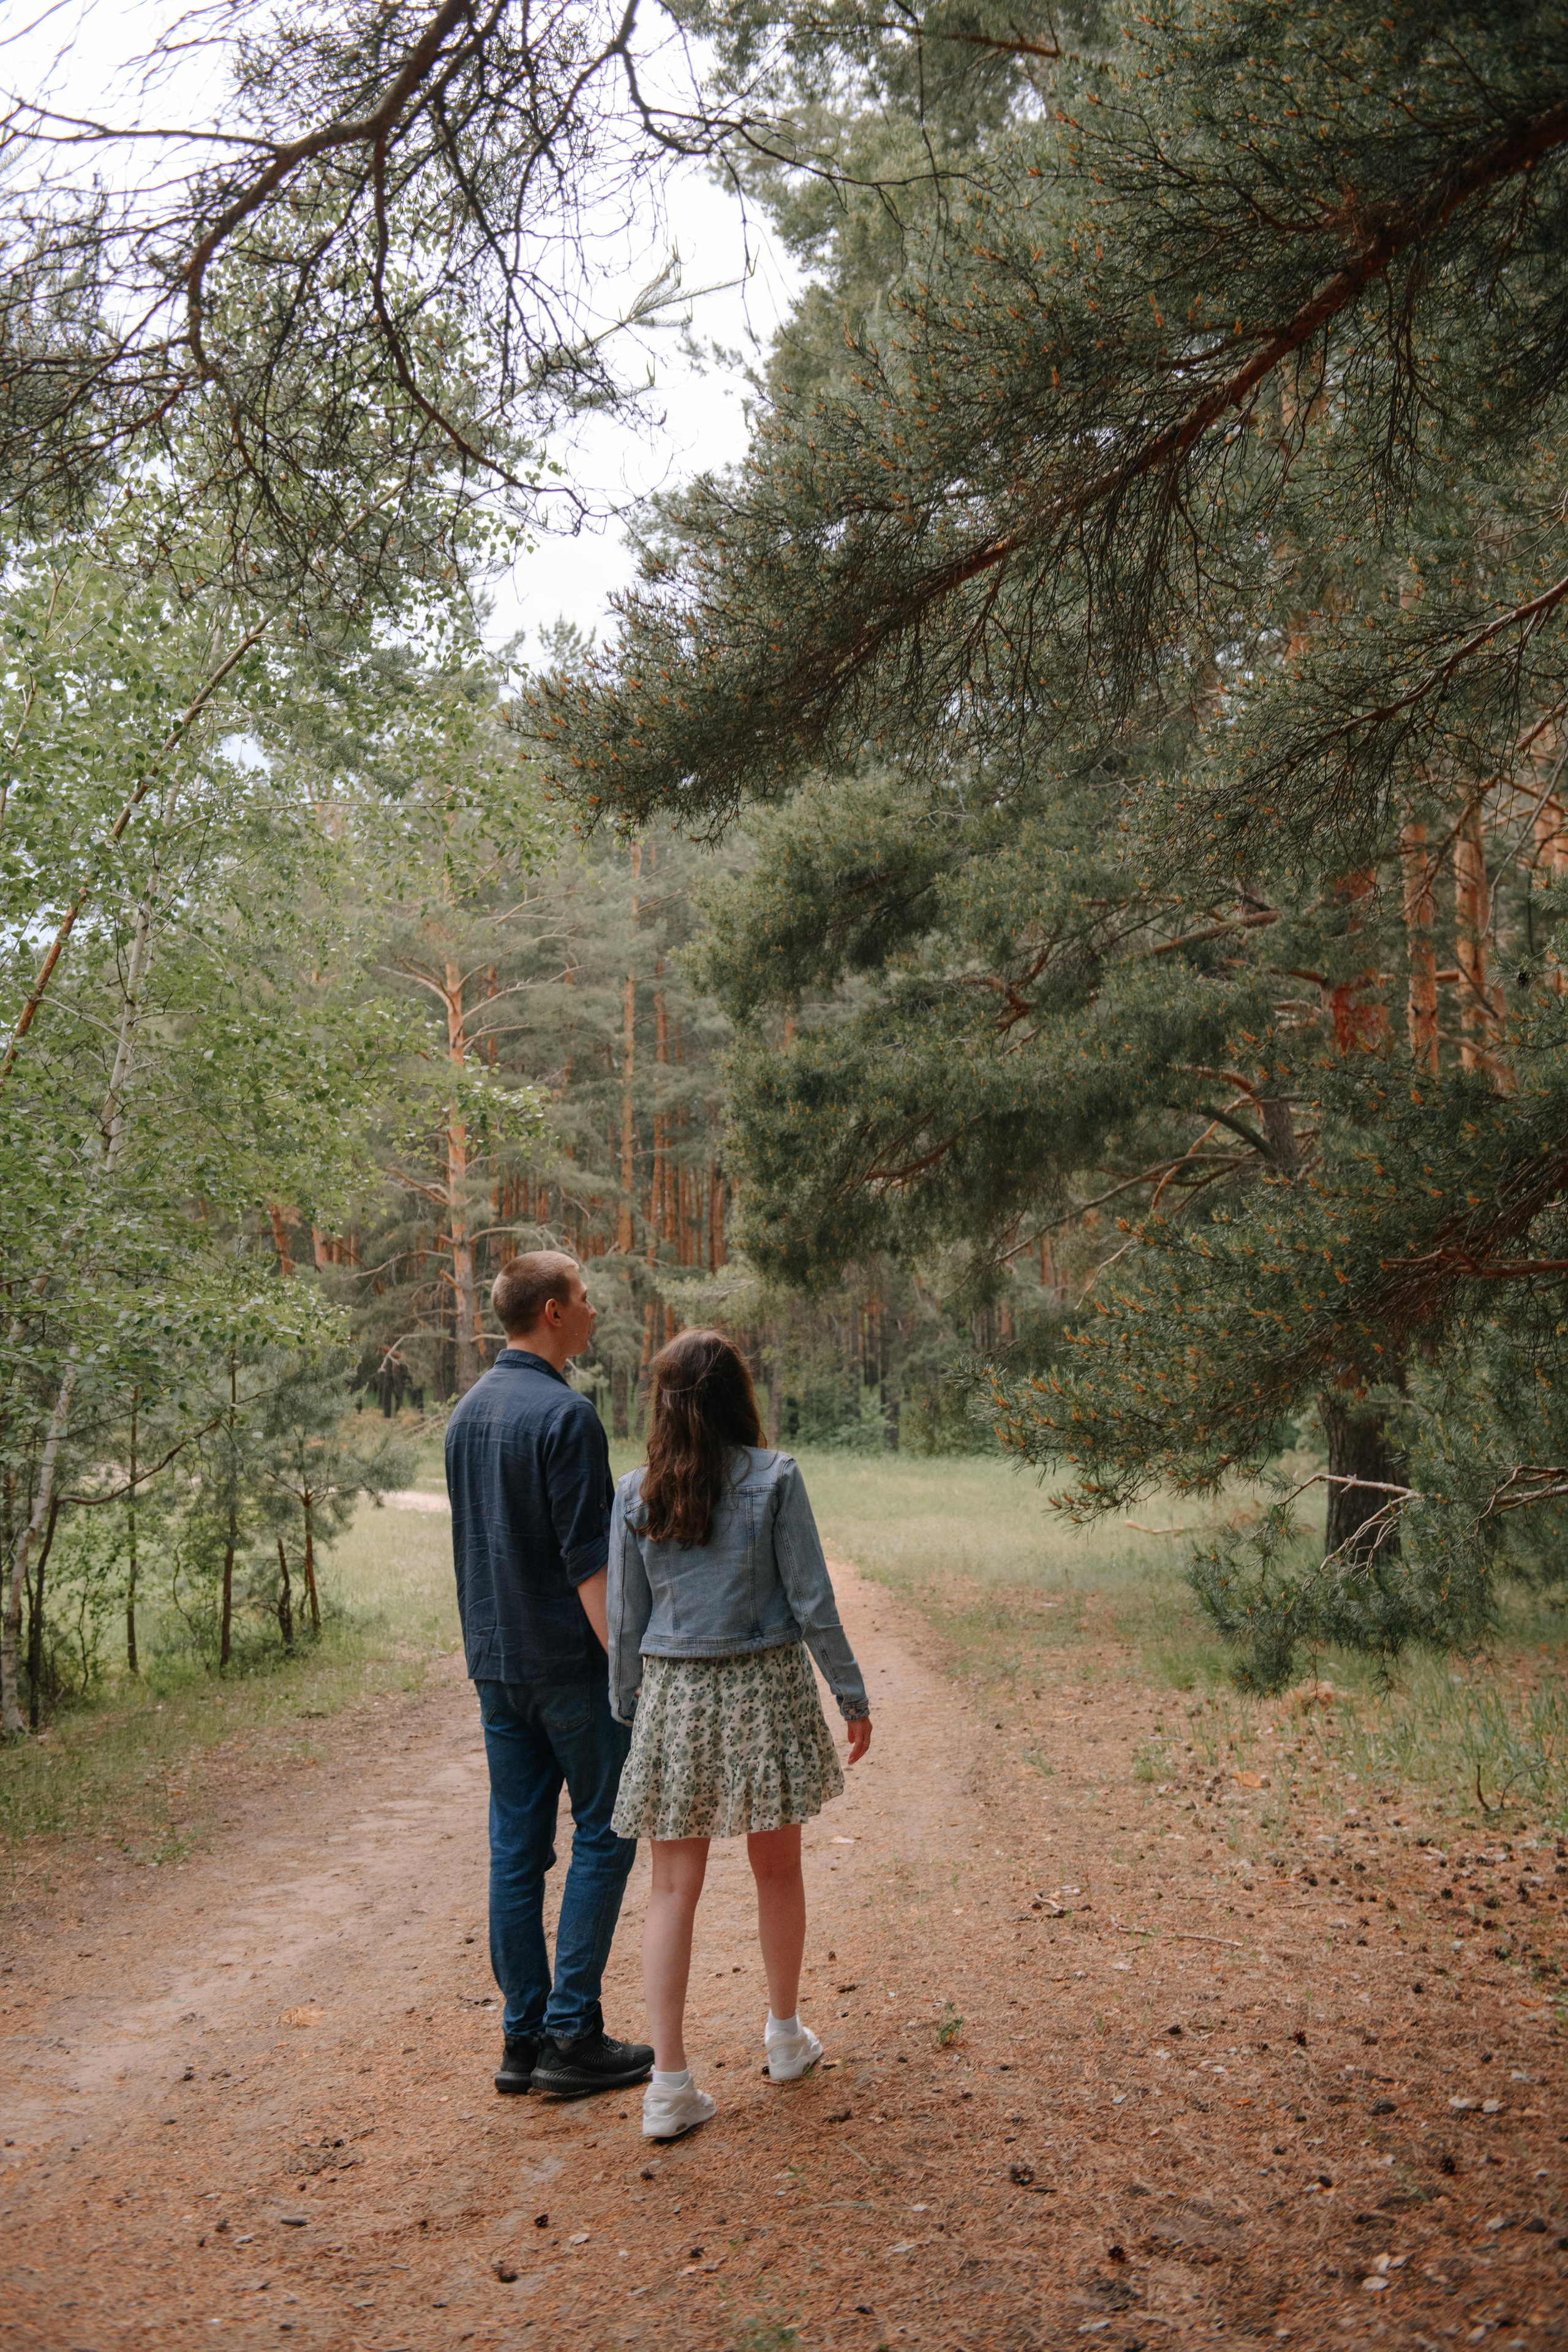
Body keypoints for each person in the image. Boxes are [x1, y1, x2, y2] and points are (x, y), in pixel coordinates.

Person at [606, 1329, 872, 2142]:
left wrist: (630, 1707)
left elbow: (627, 1623)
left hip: (676, 1699)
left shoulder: (635, 1492)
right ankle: (786, 2038)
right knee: (777, 1870)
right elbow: (813, 1600)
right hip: (764, 1687)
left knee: (669, 1891)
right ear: (737, 1395)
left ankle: (668, 2085)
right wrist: (851, 1695)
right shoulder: (777, 1478)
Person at [445, 1252, 654, 2100]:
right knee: (607, 1829)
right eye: (585, 1297)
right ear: (554, 1313)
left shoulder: (464, 1415)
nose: (595, 1309)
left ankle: (521, 2039)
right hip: (568, 1666)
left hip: (497, 1667)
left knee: (516, 1848)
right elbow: (588, 1564)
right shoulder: (568, 1417)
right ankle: (573, 2030)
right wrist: (628, 1668)